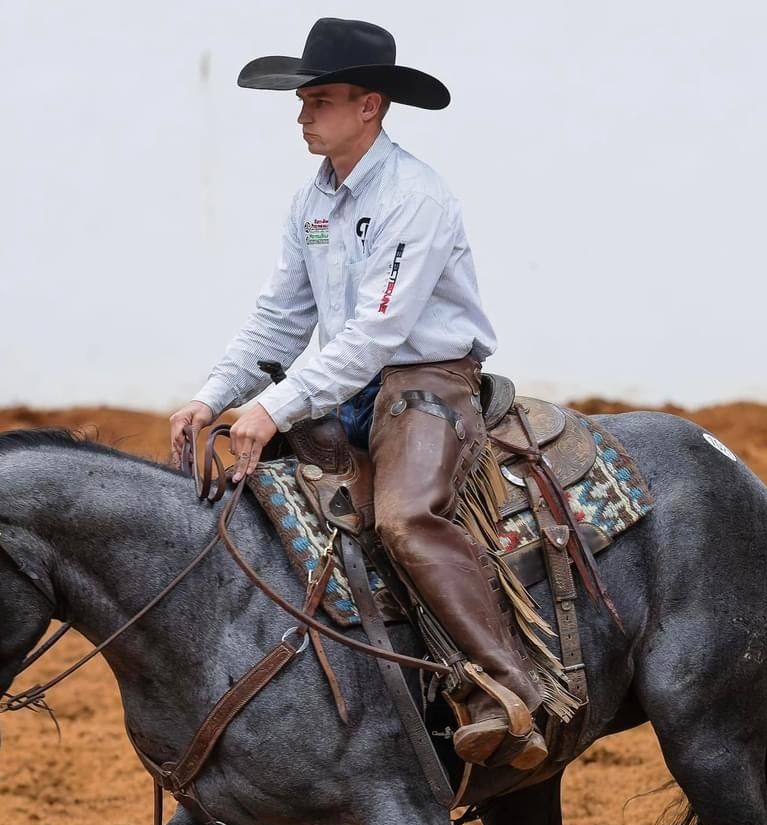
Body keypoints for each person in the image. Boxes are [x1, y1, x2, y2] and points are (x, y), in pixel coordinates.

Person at [169, 17, 549, 769]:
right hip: (347, 381)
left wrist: (274, 405)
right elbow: (280, 319)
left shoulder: (415, 197)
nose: (302, 114)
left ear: (369, 106)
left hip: (427, 380)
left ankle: (506, 688)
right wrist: (213, 395)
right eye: (303, 100)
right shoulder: (311, 203)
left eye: (320, 100)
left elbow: (378, 332)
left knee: (405, 518)